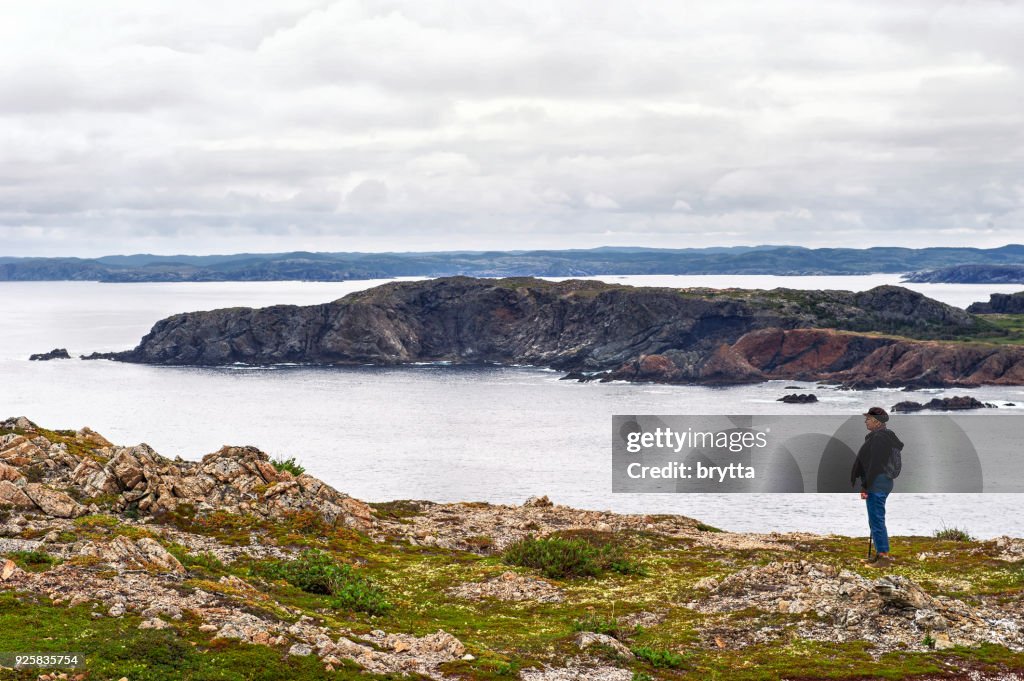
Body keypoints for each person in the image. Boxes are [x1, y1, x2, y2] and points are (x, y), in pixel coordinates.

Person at [850, 406, 903, 568]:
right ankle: (879, 554)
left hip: (878, 481)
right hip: (881, 481)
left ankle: (883, 558)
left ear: (876, 421)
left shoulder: (880, 438)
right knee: (875, 518)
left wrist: (866, 486)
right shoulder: (883, 436)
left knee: (877, 518)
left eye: (868, 419)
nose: (865, 421)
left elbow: (875, 464)